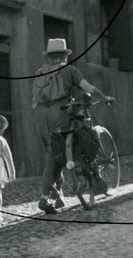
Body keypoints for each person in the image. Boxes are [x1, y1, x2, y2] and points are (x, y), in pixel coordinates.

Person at [32, 38, 113, 214]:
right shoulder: (70, 70)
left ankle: (48, 197)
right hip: (60, 113)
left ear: (49, 57)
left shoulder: (40, 72)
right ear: (64, 56)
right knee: (81, 138)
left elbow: (35, 98)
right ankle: (82, 177)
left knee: (53, 154)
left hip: (39, 116)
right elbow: (88, 88)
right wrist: (103, 97)